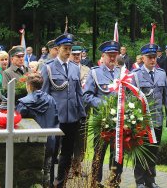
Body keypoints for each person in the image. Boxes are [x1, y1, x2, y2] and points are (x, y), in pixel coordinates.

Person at [41, 33, 85, 188]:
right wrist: (46, 117)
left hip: (72, 117)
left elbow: (78, 92)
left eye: (70, 49)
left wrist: (82, 113)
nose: (68, 52)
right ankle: (50, 182)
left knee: (67, 153)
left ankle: (61, 183)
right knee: (52, 153)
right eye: (65, 49)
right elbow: (44, 94)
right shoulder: (48, 68)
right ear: (57, 49)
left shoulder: (74, 68)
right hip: (55, 118)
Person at [132, 43, 167, 188]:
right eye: (149, 57)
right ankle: (140, 181)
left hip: (157, 120)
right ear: (143, 58)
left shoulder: (161, 73)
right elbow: (131, 99)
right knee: (140, 151)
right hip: (141, 122)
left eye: (154, 57)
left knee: (153, 151)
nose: (152, 60)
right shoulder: (135, 76)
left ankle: (151, 180)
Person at [83, 40, 122, 188]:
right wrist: (104, 104)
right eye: (109, 55)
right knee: (99, 153)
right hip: (102, 121)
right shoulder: (95, 73)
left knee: (117, 153)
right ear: (103, 56)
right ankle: (96, 181)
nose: (112, 58)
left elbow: (129, 94)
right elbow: (86, 96)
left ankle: (114, 180)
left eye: (114, 55)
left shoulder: (122, 72)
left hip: (119, 122)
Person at [16, 72, 59, 187]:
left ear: (28, 85)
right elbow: (56, 120)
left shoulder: (23, 103)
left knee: (30, 176)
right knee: (47, 172)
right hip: (49, 142)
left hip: (29, 146)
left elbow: (17, 123)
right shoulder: (51, 100)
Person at [69, 44, 90, 177]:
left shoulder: (87, 69)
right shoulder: (66, 68)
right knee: (69, 138)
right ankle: (69, 167)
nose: (77, 57)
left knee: (82, 139)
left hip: (84, 109)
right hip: (70, 110)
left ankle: (78, 165)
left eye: (79, 54)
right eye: (74, 54)